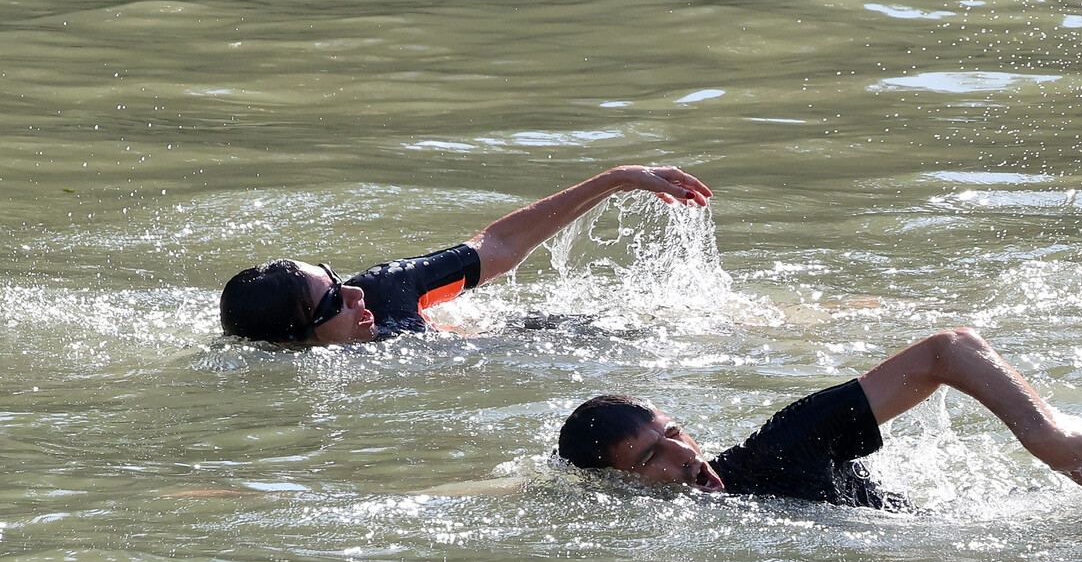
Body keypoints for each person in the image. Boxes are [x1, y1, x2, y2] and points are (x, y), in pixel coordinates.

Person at [557, 328, 1082, 508]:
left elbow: (947, 349)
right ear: (617, 484)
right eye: (650, 457)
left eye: (673, 433)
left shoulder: (779, 449)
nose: (683, 455)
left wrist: (1046, 436)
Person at [219, 165, 712, 344]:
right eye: (332, 302)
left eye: (334, 278)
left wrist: (615, 179)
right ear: (292, 341)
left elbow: (498, 246)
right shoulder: (295, 368)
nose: (352, 293)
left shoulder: (384, 291)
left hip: (541, 332)